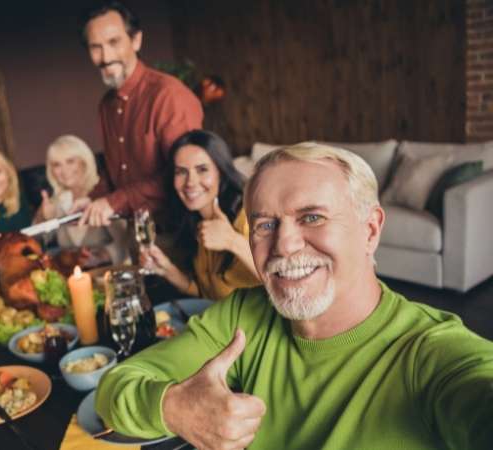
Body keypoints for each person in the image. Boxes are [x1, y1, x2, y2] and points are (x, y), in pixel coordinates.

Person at [96, 143, 493, 450]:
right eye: (265, 225)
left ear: (370, 230)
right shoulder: (244, 313)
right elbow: (115, 385)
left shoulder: (432, 352)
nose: (284, 245)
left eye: (312, 217)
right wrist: (176, 407)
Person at [77, 1, 203, 226]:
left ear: (136, 40)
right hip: (136, 229)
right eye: (95, 47)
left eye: (114, 42)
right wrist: (92, 199)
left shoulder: (169, 95)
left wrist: (114, 202)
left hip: (178, 230)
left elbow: (184, 175)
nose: (105, 57)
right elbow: (115, 174)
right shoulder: (106, 106)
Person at [141, 130, 260, 300]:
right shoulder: (198, 222)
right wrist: (167, 270)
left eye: (202, 169)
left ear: (221, 173)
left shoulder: (247, 216)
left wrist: (232, 241)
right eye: (181, 171)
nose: (190, 182)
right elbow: (207, 296)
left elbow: (280, 278)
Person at [34, 134, 129, 266]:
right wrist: (43, 218)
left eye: (70, 161)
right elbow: (34, 245)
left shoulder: (105, 191)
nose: (64, 170)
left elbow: (126, 242)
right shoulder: (55, 201)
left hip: (113, 271)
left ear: (84, 162)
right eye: (57, 165)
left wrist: (101, 257)